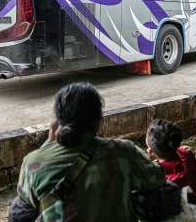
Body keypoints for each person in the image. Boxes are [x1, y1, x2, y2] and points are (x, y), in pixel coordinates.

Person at [9, 82, 166, 222]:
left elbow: (19, 215)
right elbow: (159, 178)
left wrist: (48, 145)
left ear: (58, 121)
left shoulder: (33, 162)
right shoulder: (124, 151)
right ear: (99, 118)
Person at [146, 119, 196, 198]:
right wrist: (183, 151)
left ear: (150, 152)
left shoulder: (153, 173)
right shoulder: (187, 154)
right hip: (195, 206)